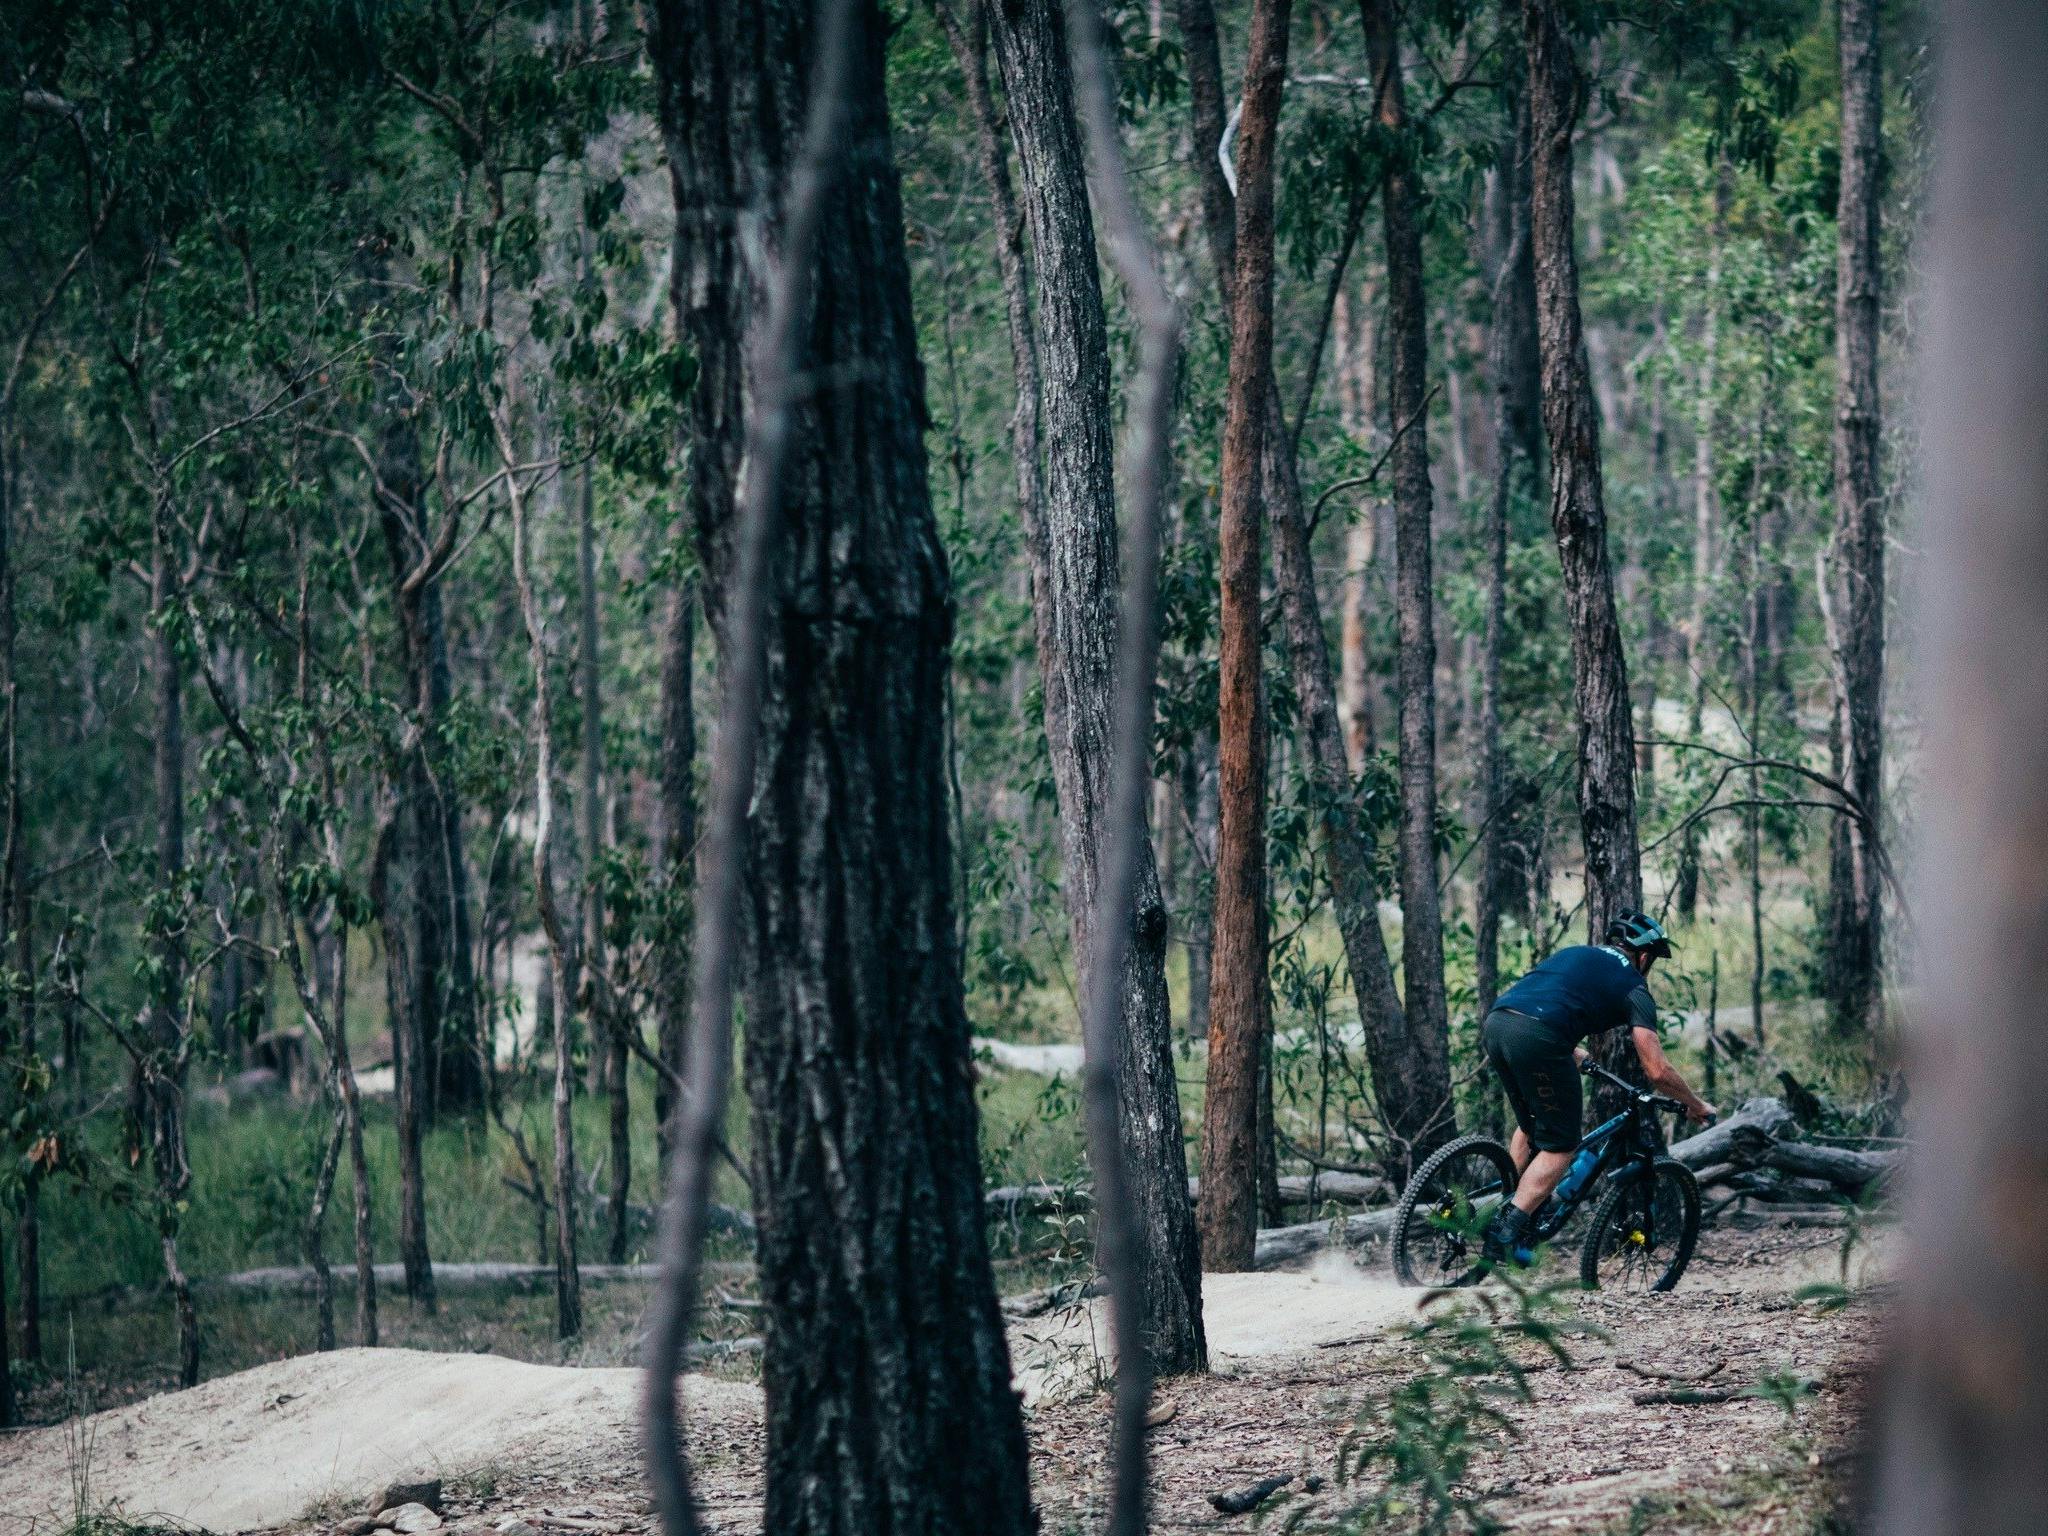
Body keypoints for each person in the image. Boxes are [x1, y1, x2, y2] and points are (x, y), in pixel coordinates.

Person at [1479, 908, 1716, 1265]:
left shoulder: (1576, 953)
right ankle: (1506, 1227)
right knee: (1562, 1145)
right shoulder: (1635, 987)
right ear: (1644, 955)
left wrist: (1568, 1048)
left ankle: (1507, 1201)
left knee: (1532, 1125)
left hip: (1497, 1024)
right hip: (1539, 1036)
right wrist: (1695, 1104)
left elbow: (1542, 1000)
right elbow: (1656, 1069)